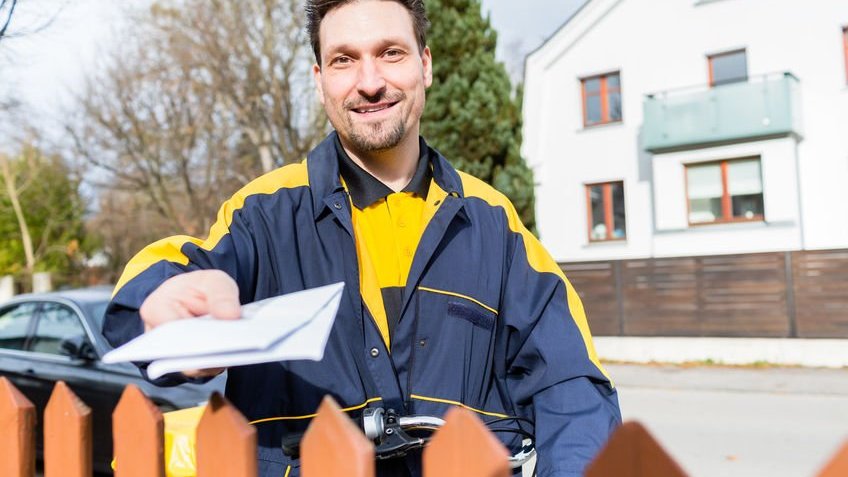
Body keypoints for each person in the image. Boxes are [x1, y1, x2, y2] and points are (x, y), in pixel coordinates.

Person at [102, 0, 621, 475]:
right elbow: (172, 274)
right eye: (344, 60)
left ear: (426, 64)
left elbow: (571, 385)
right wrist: (159, 302)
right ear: (320, 78)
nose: (369, 82)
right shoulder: (263, 211)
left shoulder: (496, 223)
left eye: (390, 53)